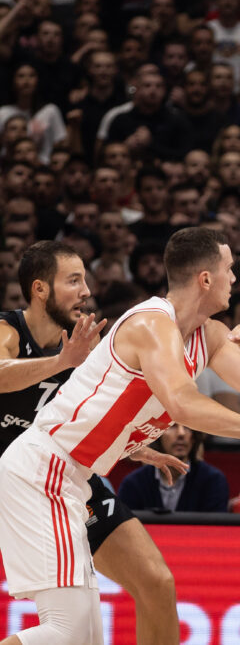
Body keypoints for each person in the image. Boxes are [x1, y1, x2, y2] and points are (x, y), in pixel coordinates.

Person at [0, 227, 240, 645]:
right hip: (44, 468)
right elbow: (185, 405)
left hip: (77, 476)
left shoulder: (213, 336)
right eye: (229, 269)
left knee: (106, 622)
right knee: (67, 631)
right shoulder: (151, 323)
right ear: (206, 278)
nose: (235, 279)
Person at [0, 241, 185, 645]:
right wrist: (61, 362)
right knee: (69, 630)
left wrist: (135, 447)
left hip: (71, 476)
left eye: (85, 279)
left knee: (157, 583)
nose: (86, 290)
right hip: (20, 480)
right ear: (40, 289)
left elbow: (104, 412)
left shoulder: (86, 343)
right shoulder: (8, 331)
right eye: (73, 280)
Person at [118, 423, 230, 513]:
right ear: (157, 436)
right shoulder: (133, 483)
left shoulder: (213, 480)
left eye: (187, 426)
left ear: (195, 437)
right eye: (172, 426)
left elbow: (215, 532)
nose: (181, 433)